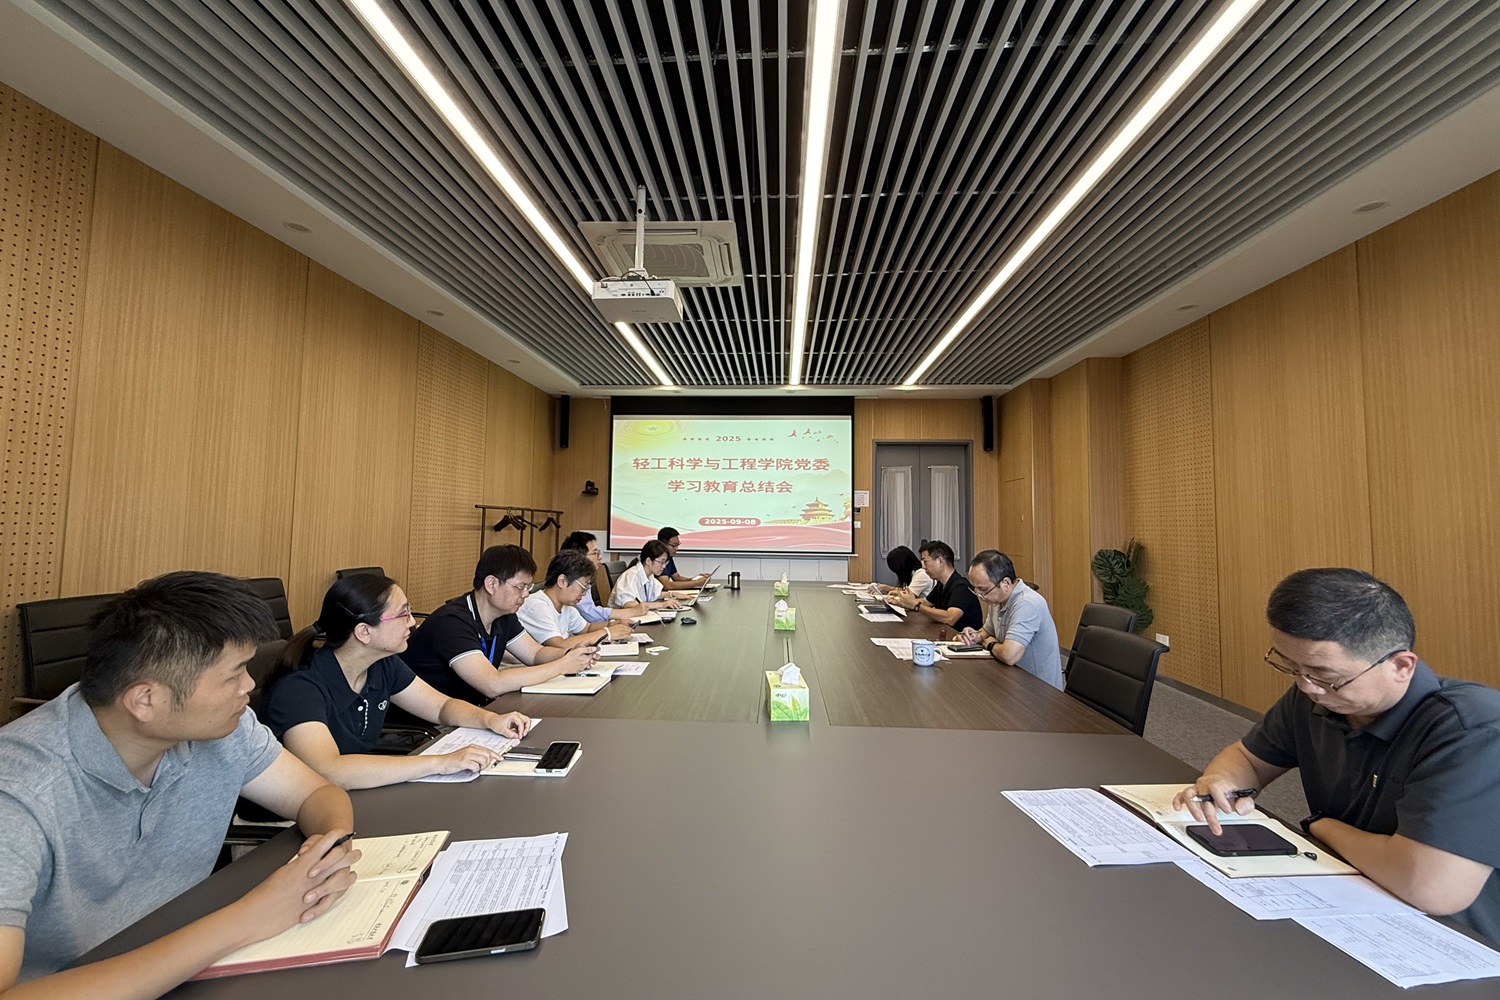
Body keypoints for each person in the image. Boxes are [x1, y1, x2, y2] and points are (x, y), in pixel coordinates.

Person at [0, 571, 358, 992]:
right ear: (146, 700)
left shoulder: (226, 728)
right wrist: (250, 917)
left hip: (195, 963)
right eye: (234, 674)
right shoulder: (18, 795)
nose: (250, 685)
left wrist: (327, 852)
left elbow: (316, 793)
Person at [1172, 568, 1500, 945]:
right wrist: (1222, 782)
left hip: (1457, 940)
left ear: (1401, 666)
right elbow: (1248, 758)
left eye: (1324, 675)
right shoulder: (1319, 697)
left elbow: (1431, 888)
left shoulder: (1472, 731)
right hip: (1354, 895)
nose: (1306, 686)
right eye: (1291, 667)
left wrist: (1322, 826)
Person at [261, 573, 533, 789]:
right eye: (403, 614)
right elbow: (330, 770)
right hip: (288, 823)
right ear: (364, 632)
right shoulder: (300, 688)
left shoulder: (382, 664)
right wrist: (440, 763)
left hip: (352, 795)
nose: (412, 622)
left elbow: (441, 707)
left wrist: (490, 720)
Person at [403, 545, 597, 704]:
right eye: (520, 587)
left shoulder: (504, 615)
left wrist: (572, 654)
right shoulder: (453, 622)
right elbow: (492, 684)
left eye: (528, 587)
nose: (526, 594)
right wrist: (563, 665)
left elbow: (535, 654)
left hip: (471, 708)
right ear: (491, 584)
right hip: (433, 724)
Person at [961, 550, 1063, 690]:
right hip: (1011, 679)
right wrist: (975, 636)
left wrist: (990, 644)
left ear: (1006, 583)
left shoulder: (1027, 603)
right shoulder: (997, 600)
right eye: (976, 590)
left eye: (983, 590)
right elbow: (987, 631)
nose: (980, 596)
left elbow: (1009, 656)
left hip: (1038, 691)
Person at [517, 550, 633, 647]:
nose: (584, 593)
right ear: (562, 581)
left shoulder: (566, 607)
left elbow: (587, 628)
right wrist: (607, 633)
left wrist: (614, 624)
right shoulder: (537, 606)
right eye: (583, 587)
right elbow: (559, 645)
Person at [885, 540, 982, 631]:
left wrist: (915, 605)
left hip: (964, 639)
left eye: (925, 561)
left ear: (940, 561)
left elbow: (950, 618)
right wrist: (901, 601)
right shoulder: (941, 584)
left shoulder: (961, 587)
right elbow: (925, 602)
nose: (923, 567)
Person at [558, 531, 638, 623]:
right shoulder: (573, 583)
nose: (599, 557)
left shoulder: (584, 578)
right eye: (595, 553)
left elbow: (587, 626)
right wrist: (631, 612)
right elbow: (590, 614)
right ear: (579, 557)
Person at [611, 540, 685, 610]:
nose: (664, 566)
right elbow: (628, 604)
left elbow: (655, 594)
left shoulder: (649, 575)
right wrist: (662, 604)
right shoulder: (631, 576)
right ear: (648, 561)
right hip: (621, 617)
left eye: (665, 562)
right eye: (661, 562)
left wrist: (672, 594)